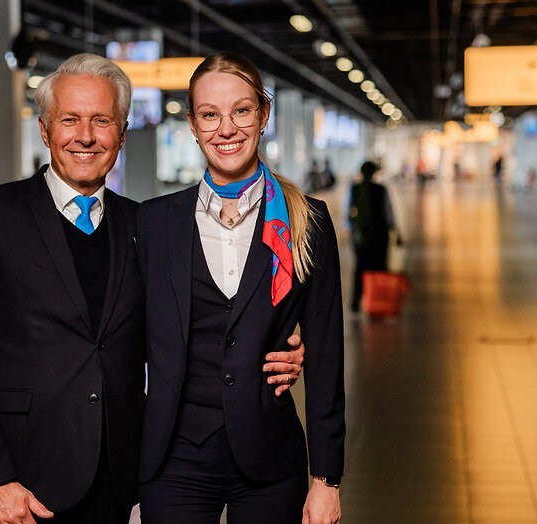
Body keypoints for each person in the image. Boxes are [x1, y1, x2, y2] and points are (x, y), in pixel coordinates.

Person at [0, 53, 305, 524]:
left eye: (101, 121)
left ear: (122, 134)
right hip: (22, 485)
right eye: (70, 120)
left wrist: (281, 347)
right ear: (46, 130)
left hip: (122, 481)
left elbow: (193, 326)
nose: (85, 136)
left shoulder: (144, 225)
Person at [136, 51, 344, 524]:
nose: (225, 128)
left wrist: (327, 480)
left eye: (241, 110)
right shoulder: (154, 221)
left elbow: (329, 359)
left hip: (270, 456)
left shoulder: (305, 221)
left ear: (264, 115)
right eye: (209, 114)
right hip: (175, 457)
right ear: (192, 123)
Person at [348, 160, 400, 313]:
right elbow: (389, 214)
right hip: (379, 236)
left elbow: (348, 215)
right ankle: (378, 302)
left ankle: (355, 304)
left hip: (360, 238)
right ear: (373, 174)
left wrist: (352, 231)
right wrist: (396, 232)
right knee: (379, 269)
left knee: (360, 268)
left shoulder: (354, 190)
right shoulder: (381, 190)